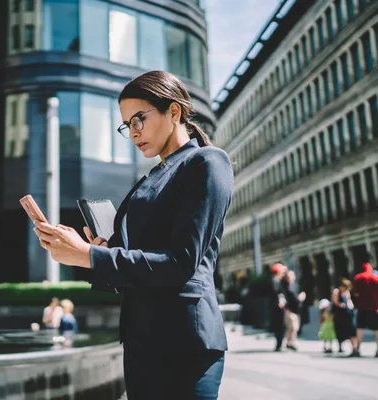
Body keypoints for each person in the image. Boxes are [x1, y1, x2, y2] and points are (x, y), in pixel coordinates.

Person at [34, 70, 233, 399]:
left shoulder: (207, 162)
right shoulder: (152, 176)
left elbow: (180, 263)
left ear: (174, 111)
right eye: (128, 125)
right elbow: (138, 266)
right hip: (142, 341)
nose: (134, 132)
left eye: (139, 119)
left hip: (184, 345)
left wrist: (90, 255)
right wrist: (99, 250)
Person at [353, 262, 378, 357]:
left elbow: (355, 293)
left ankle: (357, 349)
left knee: (359, 328)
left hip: (362, 307)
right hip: (373, 308)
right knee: (377, 329)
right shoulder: (375, 278)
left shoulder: (358, 278)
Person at [331, 278, 358, 356]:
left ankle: (354, 347)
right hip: (339, 314)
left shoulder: (347, 292)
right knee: (340, 330)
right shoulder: (336, 291)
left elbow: (349, 300)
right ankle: (340, 346)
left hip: (347, 314)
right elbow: (334, 301)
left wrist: (351, 306)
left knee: (351, 330)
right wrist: (341, 305)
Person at [282, 270, 306, 351]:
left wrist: (302, 296)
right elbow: (283, 299)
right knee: (293, 327)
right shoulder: (285, 287)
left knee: (294, 328)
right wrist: (286, 310)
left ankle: (289, 342)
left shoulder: (295, 286)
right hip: (289, 310)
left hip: (297, 310)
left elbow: (301, 294)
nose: (290, 278)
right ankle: (291, 342)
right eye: (288, 277)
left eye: (291, 276)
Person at [269, 263, 287, 351]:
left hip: (278, 306)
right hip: (278, 307)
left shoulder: (278, 280)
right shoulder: (275, 281)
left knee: (280, 326)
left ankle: (279, 344)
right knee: (280, 325)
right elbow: (277, 293)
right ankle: (279, 344)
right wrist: (280, 300)